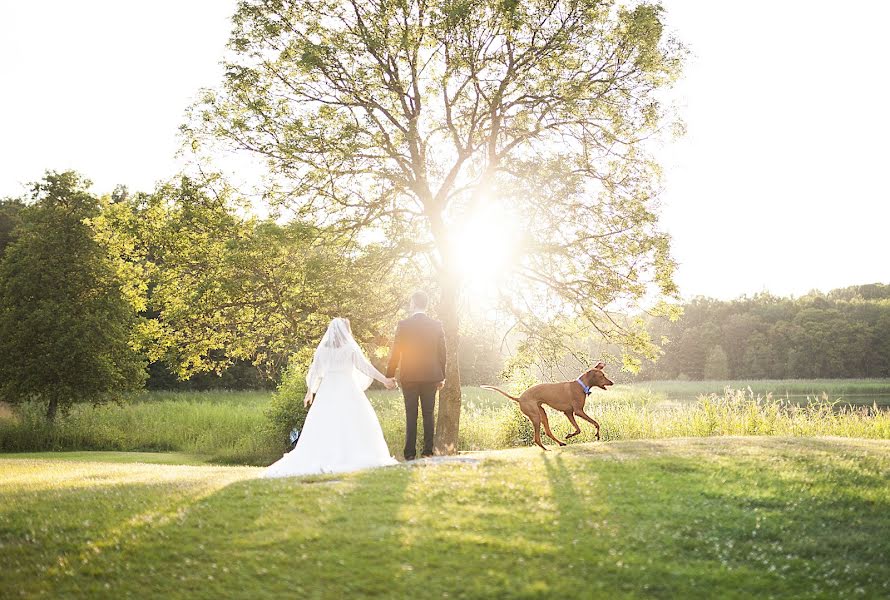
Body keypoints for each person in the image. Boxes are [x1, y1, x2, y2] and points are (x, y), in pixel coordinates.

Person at [263, 317, 398, 478]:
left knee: (326, 422)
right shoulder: (350, 348)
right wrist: (385, 380)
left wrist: (310, 391)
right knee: (352, 422)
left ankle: (328, 455)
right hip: (348, 389)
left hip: (327, 390)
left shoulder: (322, 350)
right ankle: (352, 456)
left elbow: (315, 373)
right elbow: (366, 368)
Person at [386, 291, 447, 460]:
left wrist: (390, 375)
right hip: (431, 375)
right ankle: (428, 451)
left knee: (411, 414)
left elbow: (396, 352)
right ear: (425, 305)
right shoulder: (436, 325)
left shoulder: (403, 325)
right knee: (428, 413)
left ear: (413, 303)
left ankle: (409, 454)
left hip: (409, 376)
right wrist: (442, 375)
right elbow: (443, 352)